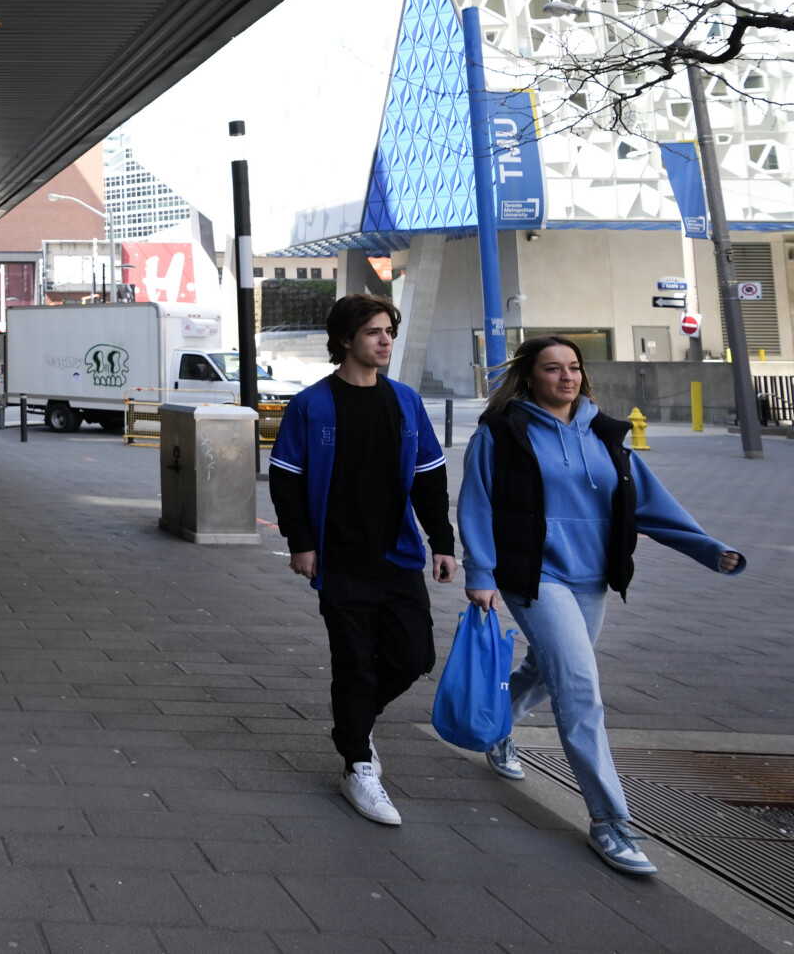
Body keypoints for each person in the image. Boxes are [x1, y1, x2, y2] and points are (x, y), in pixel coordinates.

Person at [460, 335, 744, 876]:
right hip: (534, 577)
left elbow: (649, 504)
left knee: (546, 670)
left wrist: (709, 548)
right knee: (580, 688)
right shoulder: (501, 432)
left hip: (591, 578)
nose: (566, 377)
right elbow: (476, 503)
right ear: (530, 376)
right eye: (552, 368)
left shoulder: (606, 434)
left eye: (573, 367)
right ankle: (610, 819)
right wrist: (480, 573)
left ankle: (496, 729)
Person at [270, 294, 457, 826]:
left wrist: (442, 542)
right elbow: (286, 480)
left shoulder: (405, 401)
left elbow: (429, 478)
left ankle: (355, 722)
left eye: (388, 331)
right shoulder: (311, 405)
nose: (385, 340)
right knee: (353, 661)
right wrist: (301, 543)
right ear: (346, 339)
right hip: (341, 560)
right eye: (374, 331)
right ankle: (357, 765)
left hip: (398, 557)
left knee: (413, 656)